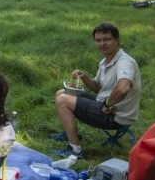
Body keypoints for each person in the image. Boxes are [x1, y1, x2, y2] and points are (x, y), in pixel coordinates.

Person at [51, 22, 142, 158]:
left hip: (115, 116)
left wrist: (107, 104)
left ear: (117, 40)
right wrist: (85, 77)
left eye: (107, 39)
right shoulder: (105, 62)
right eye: (98, 40)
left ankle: (75, 149)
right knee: (61, 93)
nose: (102, 43)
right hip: (105, 106)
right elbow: (98, 88)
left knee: (63, 100)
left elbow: (123, 88)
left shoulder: (125, 62)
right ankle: (69, 133)